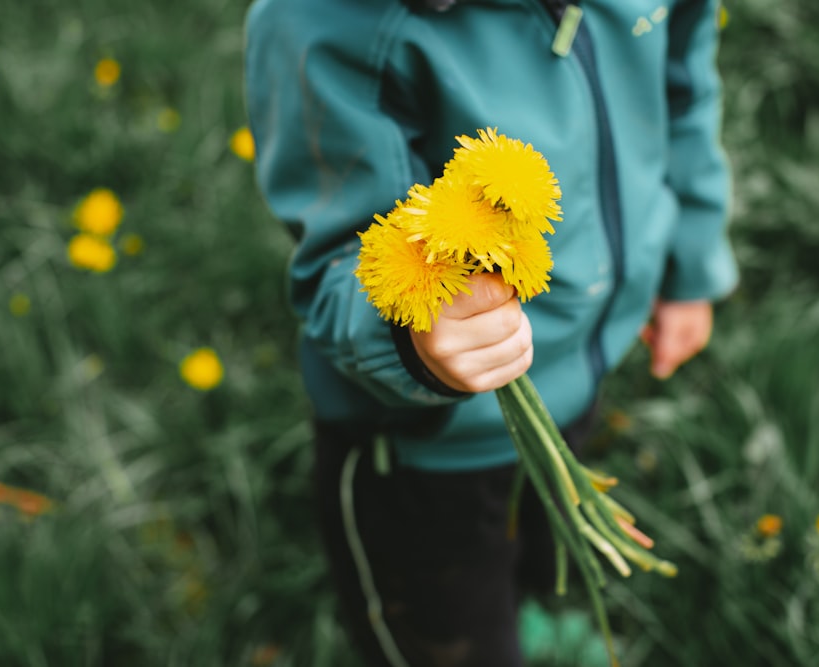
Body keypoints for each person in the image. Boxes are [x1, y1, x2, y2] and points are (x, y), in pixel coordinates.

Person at [244, 0, 738, 665]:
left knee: (539, 544)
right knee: (447, 626)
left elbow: (682, 81)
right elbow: (339, 258)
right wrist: (415, 336)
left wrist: (689, 257)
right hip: (423, 451)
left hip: (574, 374)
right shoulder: (324, 24)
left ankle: (525, 614)